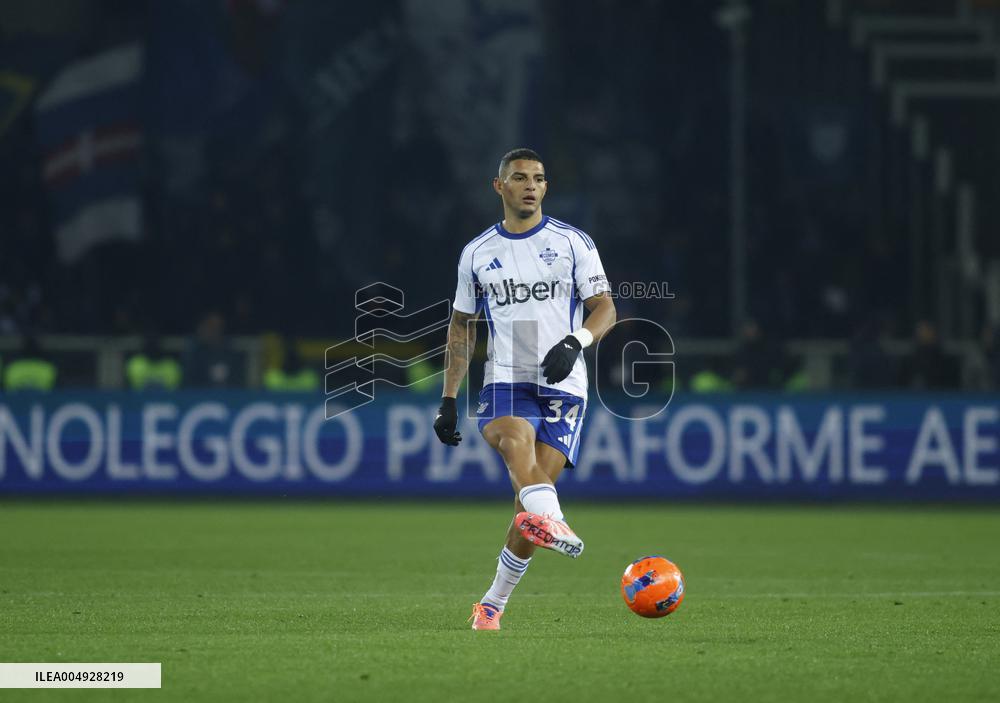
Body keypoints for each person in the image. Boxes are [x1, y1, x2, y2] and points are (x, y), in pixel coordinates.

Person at [432, 148, 617, 631]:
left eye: (538, 178)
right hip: (506, 378)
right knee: (515, 442)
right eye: (519, 178)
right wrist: (448, 398)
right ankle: (557, 522)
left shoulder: (573, 243)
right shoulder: (477, 253)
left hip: (564, 384)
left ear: (545, 187)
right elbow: (460, 329)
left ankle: (491, 604)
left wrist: (576, 342)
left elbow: (605, 309)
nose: (530, 185)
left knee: (527, 510)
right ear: (500, 187)